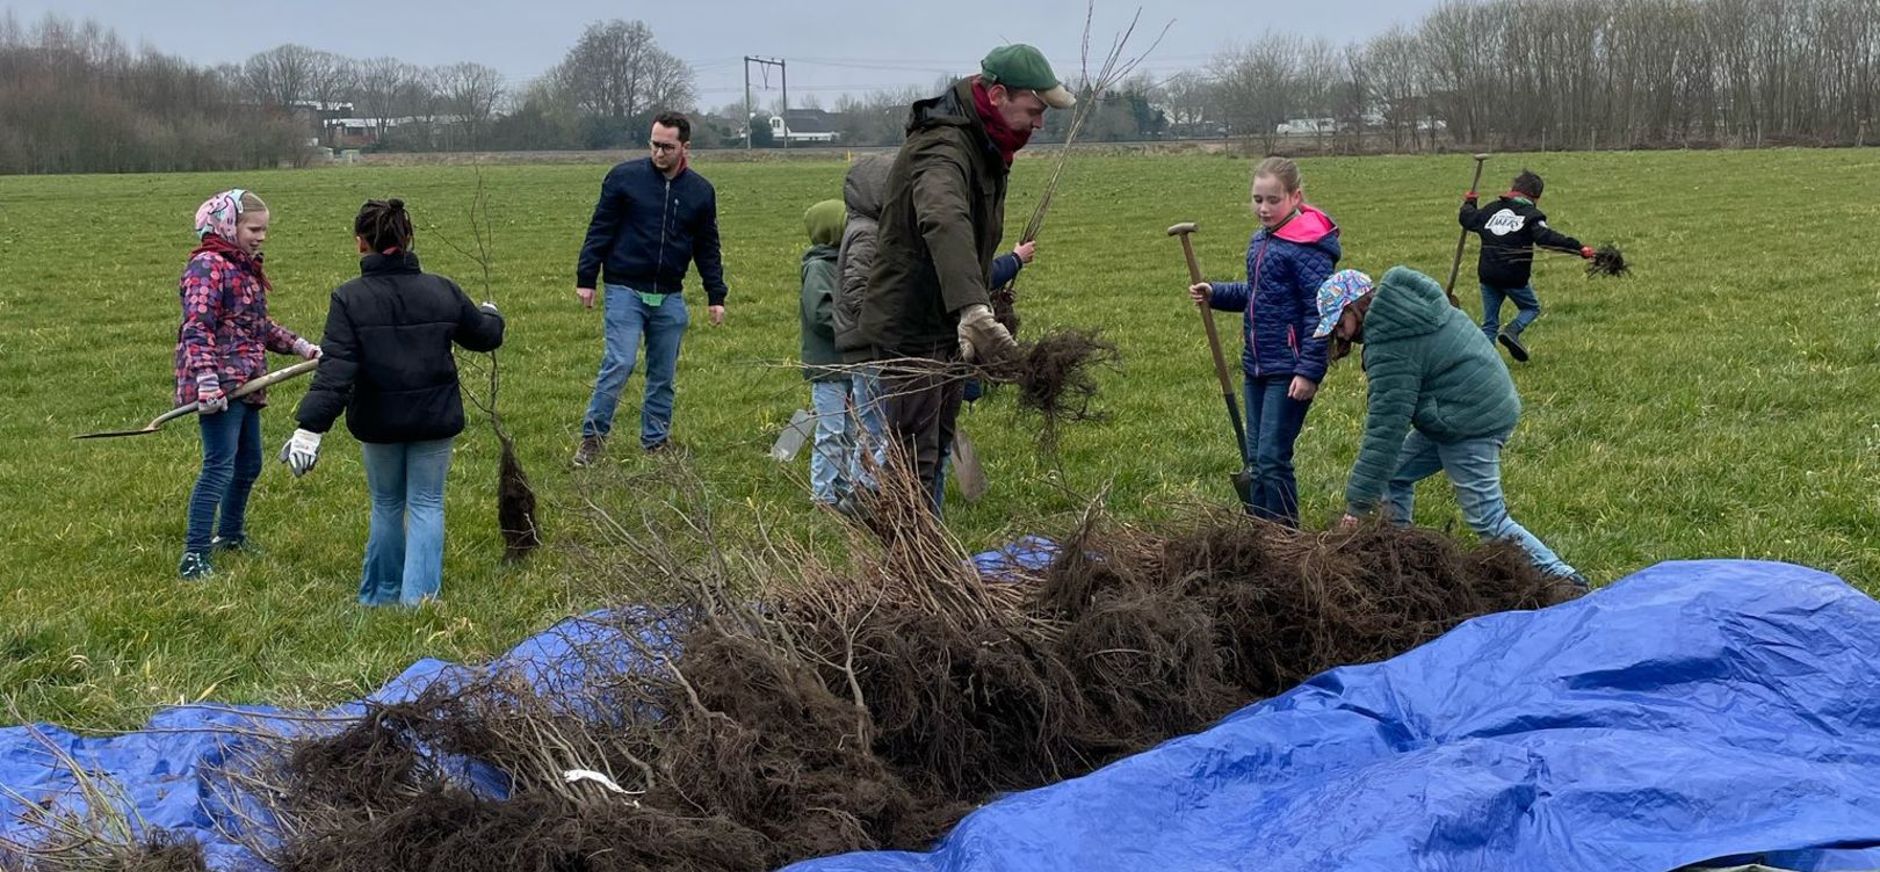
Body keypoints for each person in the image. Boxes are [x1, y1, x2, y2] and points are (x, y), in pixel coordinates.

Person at [855, 43, 1074, 512]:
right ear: (996, 95)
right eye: (1034, 110)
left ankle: (926, 562)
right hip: (914, 324)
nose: (1039, 124)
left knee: (934, 446)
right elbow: (945, 218)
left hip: (944, 318)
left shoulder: (985, 142)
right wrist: (973, 309)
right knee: (915, 459)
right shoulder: (944, 145)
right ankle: (910, 569)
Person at [280, 199, 505, 607]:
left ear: (359, 244)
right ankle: (419, 600)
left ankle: (380, 594)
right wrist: (492, 315)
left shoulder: (349, 298)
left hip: (377, 420)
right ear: (409, 239)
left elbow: (336, 370)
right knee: (426, 504)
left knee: (386, 504)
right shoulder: (442, 290)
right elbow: (484, 336)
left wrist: (309, 429)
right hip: (434, 419)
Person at [1315, 266, 1587, 587]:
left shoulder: (1392, 344)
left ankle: (1565, 580)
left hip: (1472, 419)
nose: (1340, 334)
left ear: (1355, 307)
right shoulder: (1406, 308)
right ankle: (1400, 559)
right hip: (1468, 404)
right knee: (1393, 475)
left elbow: (1385, 431)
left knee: (1488, 519)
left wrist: (1357, 506)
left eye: (1339, 323)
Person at [836, 153, 1038, 512]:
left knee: (896, 435)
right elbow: (858, 296)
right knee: (887, 434)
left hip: (884, 346)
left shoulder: (882, 232)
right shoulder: (868, 235)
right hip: (872, 351)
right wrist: (905, 312)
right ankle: (865, 495)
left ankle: (899, 505)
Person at [173, 188, 321, 580]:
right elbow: (197, 327)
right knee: (218, 466)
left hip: (247, 380)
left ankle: (232, 534)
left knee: (249, 463)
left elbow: (257, 326)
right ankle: (195, 553)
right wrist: (206, 381)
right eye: (254, 228)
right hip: (219, 387)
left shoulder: (243, 268)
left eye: (265, 230)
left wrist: (301, 347)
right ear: (226, 224)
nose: (260, 237)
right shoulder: (207, 266)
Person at [1187, 156, 1341, 527]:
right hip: (1256, 364)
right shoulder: (1261, 241)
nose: (1264, 208)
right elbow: (1258, 294)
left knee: (1272, 459)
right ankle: (1260, 537)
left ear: (1295, 196)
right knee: (1256, 461)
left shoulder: (1308, 248)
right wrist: (1216, 293)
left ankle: (1286, 540)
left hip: (1288, 370)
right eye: (1257, 199)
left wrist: (1309, 371)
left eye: (1273, 199)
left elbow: (1320, 312)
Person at [572, 110, 727, 465]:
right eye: (654, 145)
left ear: (684, 147)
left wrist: (715, 295)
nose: (659, 153)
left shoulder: (701, 192)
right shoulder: (623, 179)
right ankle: (592, 439)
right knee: (620, 361)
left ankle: (655, 440)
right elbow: (600, 228)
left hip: (670, 294)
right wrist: (586, 278)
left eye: (667, 147)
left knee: (663, 373)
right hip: (624, 286)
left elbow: (707, 245)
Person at [1458, 169, 1595, 362]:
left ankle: (1485, 363)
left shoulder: (1490, 209)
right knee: (1531, 308)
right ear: (1536, 197)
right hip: (1514, 277)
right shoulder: (1531, 215)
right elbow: (1546, 239)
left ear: (1513, 189)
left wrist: (1470, 202)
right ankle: (1512, 331)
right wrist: (1578, 248)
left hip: (1487, 274)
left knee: (1489, 323)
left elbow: (1468, 219)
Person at [799, 199, 852, 508]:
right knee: (831, 431)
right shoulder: (819, 267)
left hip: (849, 362)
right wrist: (857, 328)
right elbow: (821, 314)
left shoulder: (845, 263)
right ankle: (823, 494)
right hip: (828, 365)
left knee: (850, 433)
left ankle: (844, 487)